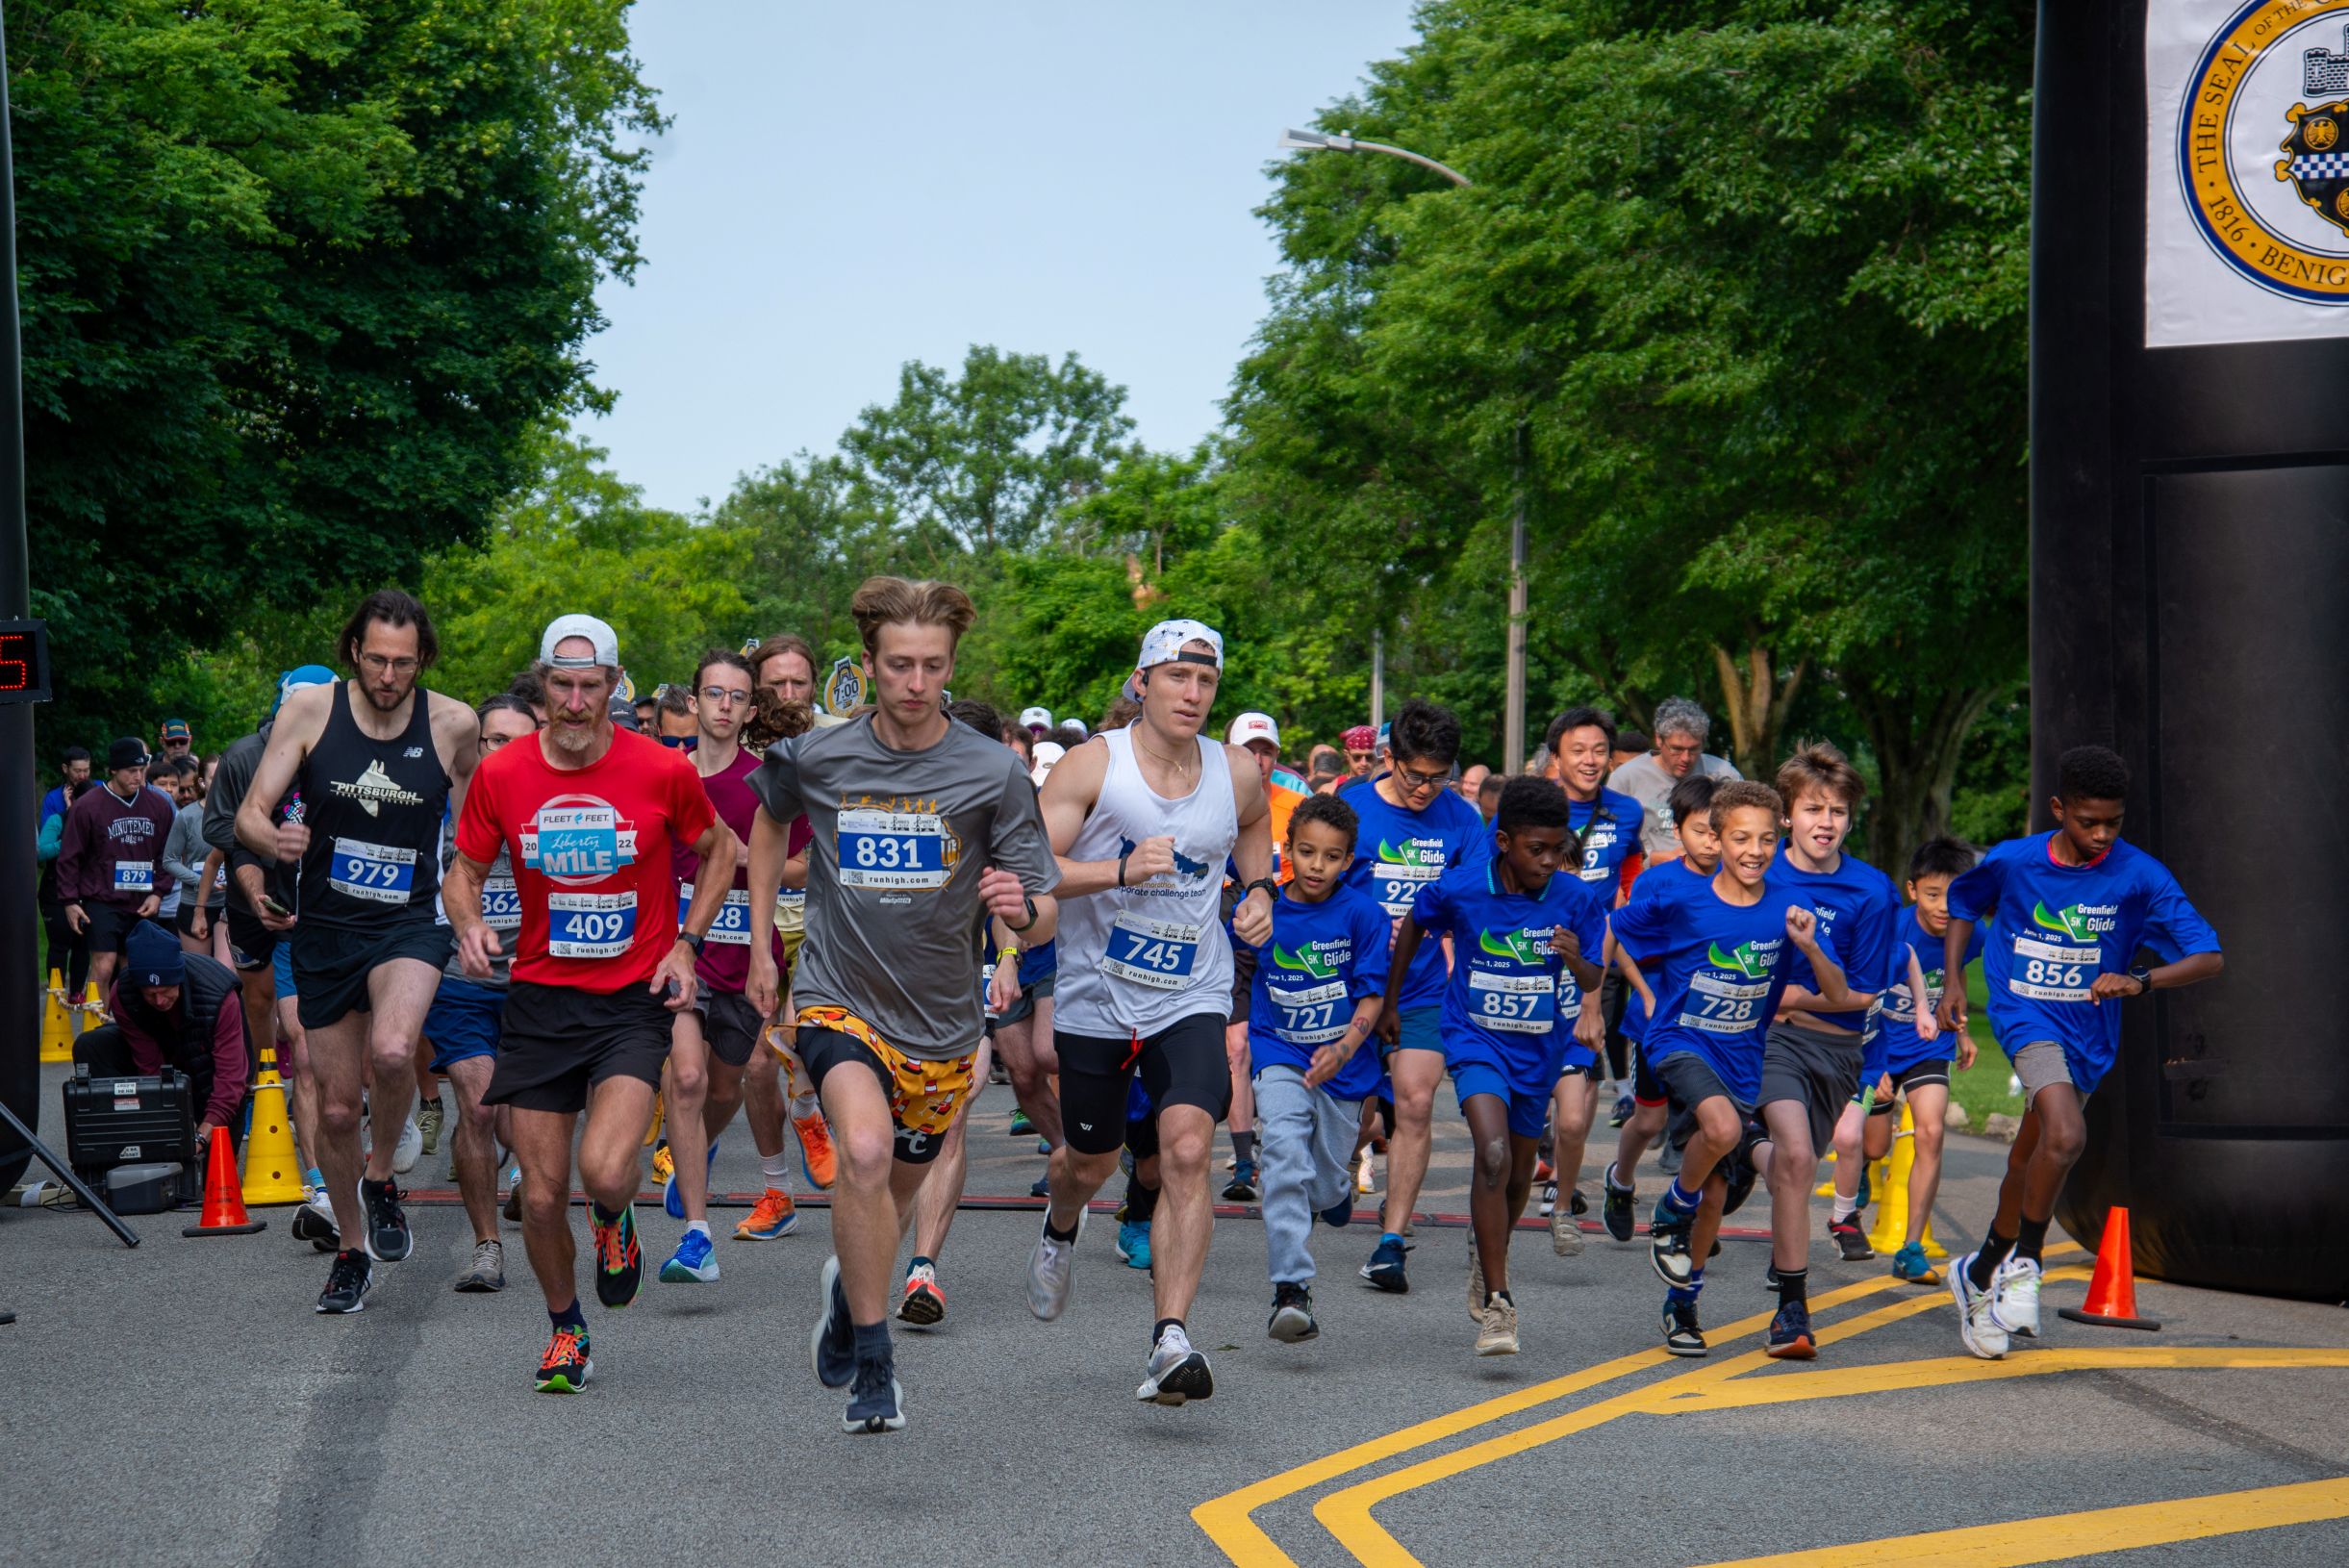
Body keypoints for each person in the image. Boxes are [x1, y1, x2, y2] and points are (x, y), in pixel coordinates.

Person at [745, 577, 1057, 1434]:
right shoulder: (820, 755)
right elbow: (769, 825)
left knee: (891, 1196)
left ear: (952, 668)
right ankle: (876, 1368)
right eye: (898, 666)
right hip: (839, 996)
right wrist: (761, 943)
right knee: (868, 1152)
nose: (915, 683)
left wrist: (1020, 909)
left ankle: (851, 1296)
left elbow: (1045, 907)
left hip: (943, 1025)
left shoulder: (993, 772)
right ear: (871, 667)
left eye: (932, 666)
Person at [447, 613, 733, 1389]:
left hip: (630, 999)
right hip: (540, 999)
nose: (575, 701)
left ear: (613, 687)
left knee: (606, 1171)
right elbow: (463, 871)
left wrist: (685, 942)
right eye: (561, 685)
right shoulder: (504, 776)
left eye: (590, 686)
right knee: (540, 1195)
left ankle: (614, 1219)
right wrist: (469, 922)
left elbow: (722, 852)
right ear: (542, 685)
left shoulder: (660, 769)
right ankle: (567, 1329)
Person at [1031, 617, 1273, 1406]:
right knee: (1089, 1163)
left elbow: (1254, 830)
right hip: (1098, 997)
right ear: (1143, 682)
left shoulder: (1235, 771)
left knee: (1187, 1148)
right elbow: (1033, 874)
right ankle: (1064, 1221)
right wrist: (1118, 867)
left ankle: (1170, 1337)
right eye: (1177, 678)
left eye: (1206, 681)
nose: (1193, 694)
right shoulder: (1090, 766)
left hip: (1191, 994)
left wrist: (1261, 890)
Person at [236, 592, 481, 1314]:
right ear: (354, 652)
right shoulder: (311, 711)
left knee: (399, 1050)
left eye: (403, 663)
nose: (388, 674)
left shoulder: (453, 722)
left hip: (409, 921)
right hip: (326, 930)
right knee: (338, 1110)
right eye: (376, 658)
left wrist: (466, 889)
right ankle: (351, 1246)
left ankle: (382, 1178)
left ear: (423, 661)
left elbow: (471, 826)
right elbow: (251, 812)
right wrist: (271, 840)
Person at [1938, 745, 2221, 1360]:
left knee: (2029, 1155)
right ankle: (2026, 1266)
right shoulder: (2015, 861)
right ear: (2058, 809)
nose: (2100, 834)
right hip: (2025, 1014)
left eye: (2113, 822)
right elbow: (1963, 901)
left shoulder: (2139, 876)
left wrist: (2141, 979)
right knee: (2065, 1138)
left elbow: (2209, 955)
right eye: (2087, 820)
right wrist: (1955, 978)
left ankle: (1982, 1267)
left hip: (2089, 1036)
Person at [1610, 779, 1856, 1358]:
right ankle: (1673, 1205)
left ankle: (1682, 1304)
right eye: (1741, 837)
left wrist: (1811, 945)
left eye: (1767, 839)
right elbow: (1615, 930)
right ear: (1715, 838)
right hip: (1678, 1044)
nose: (1754, 849)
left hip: (1742, 1060)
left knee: (1717, 1194)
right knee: (1719, 1135)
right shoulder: (1680, 899)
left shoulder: (1787, 907)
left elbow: (1841, 992)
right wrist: (1610, 997)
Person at [1396, 775, 1607, 1354]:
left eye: (1558, 848)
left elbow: (1594, 977)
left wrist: (1574, 960)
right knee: (1490, 1154)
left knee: (1516, 1175)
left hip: (1538, 1049)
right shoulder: (1464, 887)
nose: (1549, 860)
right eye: (1535, 849)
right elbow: (1417, 919)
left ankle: (1490, 1250)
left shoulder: (1576, 898)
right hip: (1474, 1039)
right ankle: (1500, 1303)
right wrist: (1391, 999)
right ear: (1505, 841)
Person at [654, 649, 810, 1285]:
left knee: (724, 1088)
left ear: (751, 709)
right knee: (687, 1080)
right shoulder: (665, 773)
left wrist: (744, 856)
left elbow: (801, 866)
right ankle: (697, 1236)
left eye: (736, 696)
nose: (723, 706)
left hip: (748, 950)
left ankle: (692, 1151)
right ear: (693, 703)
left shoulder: (766, 781)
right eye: (712, 694)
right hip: (679, 950)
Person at [1340, 699, 1486, 1295]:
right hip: (1345, 984)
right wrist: (1371, 920)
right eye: (1414, 773)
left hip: (1422, 986)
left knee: (1417, 1101)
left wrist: (1436, 921)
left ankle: (1391, 1242)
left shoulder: (1463, 819)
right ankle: (1337, 1176)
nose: (1427, 787)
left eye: (1439, 775)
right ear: (1389, 759)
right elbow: (1309, 883)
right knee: (1346, 1117)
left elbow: (1478, 896)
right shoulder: (1349, 808)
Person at [1751, 743, 1896, 1339]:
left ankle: (1740, 1151)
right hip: (1766, 1041)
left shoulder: (1873, 891)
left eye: (1837, 811)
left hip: (1836, 1049)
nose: (1826, 823)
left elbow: (1864, 995)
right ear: (1788, 815)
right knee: (1800, 1156)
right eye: (1813, 810)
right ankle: (1793, 1305)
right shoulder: (1759, 872)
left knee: (1793, 1166)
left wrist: (1795, 996)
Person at [1244, 792, 1390, 1345]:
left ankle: (1337, 1189)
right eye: (1306, 852)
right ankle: (1290, 1287)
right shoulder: (1268, 910)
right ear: (1289, 851)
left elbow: (1372, 1000)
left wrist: (1346, 1047)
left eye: (1331, 857)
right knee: (1282, 1153)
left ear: (1347, 862)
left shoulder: (1364, 915)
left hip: (1344, 1072)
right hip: (1279, 1052)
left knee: (1325, 1187)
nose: (1316, 866)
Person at [205, 666, 340, 1219]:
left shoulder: (338, 755)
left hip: (317, 906)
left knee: (308, 1036)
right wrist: (265, 843)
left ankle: (327, 1159)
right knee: (258, 1000)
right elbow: (219, 830)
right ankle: (266, 1077)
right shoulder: (244, 756)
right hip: (252, 896)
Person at [420, 695, 541, 1294]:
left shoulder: (556, 808)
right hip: (461, 983)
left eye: (519, 740)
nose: (505, 752)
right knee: (479, 1105)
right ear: (475, 746)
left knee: (525, 1128)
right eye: (494, 739)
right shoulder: (435, 811)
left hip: (536, 984)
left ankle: (525, 1181)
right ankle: (487, 1246)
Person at [1600, 771, 1722, 1245]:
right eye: (1700, 830)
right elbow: (1620, 938)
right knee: (1649, 1120)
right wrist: (1646, 993)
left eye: (1719, 831)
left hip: (1713, 1029)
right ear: (1678, 828)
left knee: (1704, 1123)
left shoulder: (1743, 884)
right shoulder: (1657, 882)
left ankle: (1689, 1211)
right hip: (1657, 1022)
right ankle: (1621, 1181)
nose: (1710, 842)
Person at [1857, 836, 1983, 1285]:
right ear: (1913, 890)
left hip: (1930, 1046)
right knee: (1873, 1145)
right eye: (1933, 895)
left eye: (1954, 895)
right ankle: (1862, 1169)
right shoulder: (1890, 928)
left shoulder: (1971, 932)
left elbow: (1959, 973)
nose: (1944, 907)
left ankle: (1910, 1248)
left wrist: (1963, 1030)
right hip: (1880, 1045)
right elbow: (1865, 990)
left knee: (1930, 1130)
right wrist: (1877, 1063)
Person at [1221, 709, 1308, 1201]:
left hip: (1286, 933)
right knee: (1235, 1048)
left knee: (1286, 1047)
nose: (1258, 759)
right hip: (1227, 929)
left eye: (1267, 750)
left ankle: (1292, 1147)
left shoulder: (1298, 805)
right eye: (1249, 750)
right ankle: (1244, 1161)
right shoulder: (1211, 800)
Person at [76, 922, 250, 1150]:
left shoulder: (219, 996)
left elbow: (230, 1080)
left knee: (209, 1173)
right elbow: (150, 1067)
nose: (159, 1001)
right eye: (150, 994)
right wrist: (166, 1125)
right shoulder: (124, 994)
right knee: (92, 1045)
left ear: (178, 978)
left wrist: (199, 1137)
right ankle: (117, 1141)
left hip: (213, 1073)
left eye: (165, 990)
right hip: (170, 1063)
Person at [58, 737, 176, 1006]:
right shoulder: (87, 806)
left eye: (141, 770)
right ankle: (96, 1029)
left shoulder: (158, 805)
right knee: (103, 964)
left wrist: (158, 892)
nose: (138, 776)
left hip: (142, 899)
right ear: (113, 770)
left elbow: (167, 855)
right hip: (103, 899)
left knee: (135, 969)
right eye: (130, 771)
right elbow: (69, 857)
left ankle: (129, 1030)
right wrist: (68, 901)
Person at [1605, 696, 1744, 864]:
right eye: (1676, 749)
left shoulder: (1723, 773)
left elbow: (1745, 826)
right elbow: (1609, 837)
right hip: (1652, 877)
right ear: (1659, 739)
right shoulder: (1626, 778)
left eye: (1694, 749)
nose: (1686, 758)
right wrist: (1653, 857)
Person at [36, 747, 92, 1000]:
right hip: (55, 889)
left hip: (86, 889)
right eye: (77, 770)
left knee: (82, 944)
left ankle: (77, 992)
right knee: (60, 944)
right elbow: (42, 851)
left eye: (86, 770)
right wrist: (69, 830)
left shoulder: (95, 789)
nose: (82, 775)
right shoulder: (56, 812)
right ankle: (55, 993)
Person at [164, 757, 219, 957]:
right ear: (202, 782)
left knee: (228, 973)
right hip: (193, 903)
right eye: (214, 777)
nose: (221, 781)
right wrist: (201, 880)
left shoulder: (237, 812)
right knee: (200, 975)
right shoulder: (187, 816)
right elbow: (169, 860)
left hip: (228, 904)